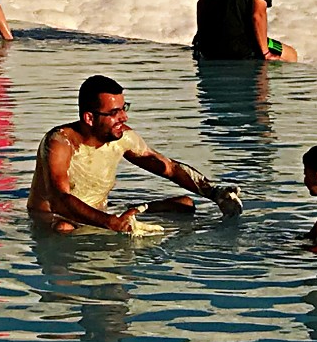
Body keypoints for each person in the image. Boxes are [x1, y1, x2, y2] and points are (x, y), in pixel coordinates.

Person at [28, 74, 242, 233]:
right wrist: (111, 223)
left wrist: (214, 193)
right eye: (114, 113)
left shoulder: (122, 137)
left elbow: (169, 168)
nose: (124, 118)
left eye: (124, 108)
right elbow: (59, 200)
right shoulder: (61, 142)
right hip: (56, 218)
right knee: (63, 228)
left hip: (102, 213)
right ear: (89, 118)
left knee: (184, 205)